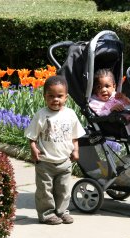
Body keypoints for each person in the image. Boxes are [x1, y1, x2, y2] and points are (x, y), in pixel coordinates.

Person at [24, 75, 86, 225]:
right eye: (51, 96)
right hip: (45, 162)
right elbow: (32, 136)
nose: (55, 99)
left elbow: (75, 136)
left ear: (66, 97)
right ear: (45, 96)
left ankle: (62, 212)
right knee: (44, 191)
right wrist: (33, 148)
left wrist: (75, 151)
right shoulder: (41, 115)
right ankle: (47, 214)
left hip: (64, 161)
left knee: (63, 190)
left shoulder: (70, 114)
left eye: (59, 96)